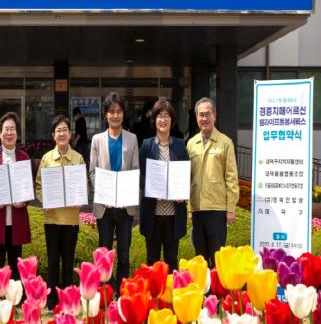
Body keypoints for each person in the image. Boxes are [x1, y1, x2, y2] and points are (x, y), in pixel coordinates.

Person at [90, 92, 139, 292]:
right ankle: (105, 294)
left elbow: (135, 170)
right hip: (105, 207)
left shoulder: (132, 139)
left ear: (123, 114)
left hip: (125, 206)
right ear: (106, 115)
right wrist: (104, 194)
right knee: (104, 254)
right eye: (111, 111)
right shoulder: (97, 140)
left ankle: (122, 294)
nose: (115, 115)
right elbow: (92, 171)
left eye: (119, 111)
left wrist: (127, 194)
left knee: (124, 254)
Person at [36, 115, 85, 310]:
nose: (62, 133)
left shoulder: (78, 158)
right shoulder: (47, 159)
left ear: (70, 134)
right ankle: (52, 302)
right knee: (53, 260)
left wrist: (80, 198)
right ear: (53, 135)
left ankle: (68, 301)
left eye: (65, 130)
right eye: (58, 130)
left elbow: (83, 186)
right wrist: (44, 200)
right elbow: (39, 186)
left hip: (71, 220)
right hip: (52, 219)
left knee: (68, 261)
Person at [187, 97, 239, 268]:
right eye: (201, 115)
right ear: (196, 117)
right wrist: (189, 207)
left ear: (214, 115)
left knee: (217, 259)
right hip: (197, 209)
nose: (204, 118)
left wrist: (230, 209)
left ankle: (217, 287)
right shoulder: (191, 144)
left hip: (217, 209)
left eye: (207, 114)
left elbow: (231, 177)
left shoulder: (225, 143)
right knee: (200, 259)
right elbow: (187, 177)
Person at [139, 100, 188, 272]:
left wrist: (183, 193)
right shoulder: (146, 145)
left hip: (173, 213)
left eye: (166, 116)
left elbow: (186, 174)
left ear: (172, 120)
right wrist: (150, 191)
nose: (163, 120)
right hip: (152, 212)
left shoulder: (180, 145)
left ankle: (171, 290)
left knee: (171, 260)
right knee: (151, 261)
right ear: (154, 120)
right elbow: (141, 175)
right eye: (159, 116)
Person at [0, 112, 31, 281]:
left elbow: (28, 185)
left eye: (12, 129)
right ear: (0, 133)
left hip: (17, 218)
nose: (9, 133)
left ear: (17, 133)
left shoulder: (23, 157)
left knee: (16, 266)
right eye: (6, 129)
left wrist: (24, 201)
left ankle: (15, 296)